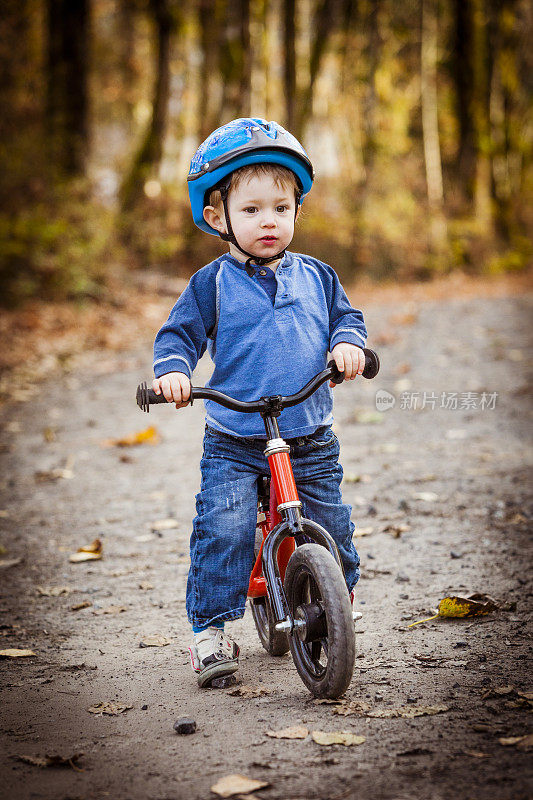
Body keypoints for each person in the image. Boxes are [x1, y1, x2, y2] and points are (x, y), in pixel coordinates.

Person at [152, 118, 367, 687]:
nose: (268, 220)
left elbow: (348, 319)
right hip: (235, 436)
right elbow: (178, 336)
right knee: (224, 525)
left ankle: (334, 603)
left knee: (332, 524)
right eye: (251, 210)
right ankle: (211, 633)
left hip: (308, 428)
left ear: (298, 210)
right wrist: (173, 372)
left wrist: (348, 345)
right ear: (219, 217)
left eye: (280, 207)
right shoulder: (211, 284)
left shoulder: (319, 276)